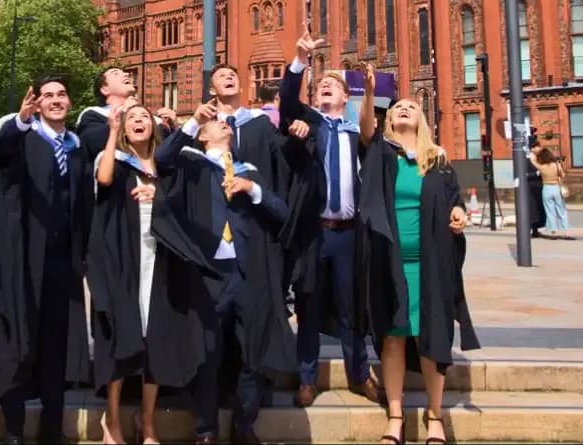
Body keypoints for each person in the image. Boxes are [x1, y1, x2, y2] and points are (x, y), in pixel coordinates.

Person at [153, 100, 302, 445]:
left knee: (251, 353)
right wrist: (192, 123)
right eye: (217, 123)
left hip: (246, 273)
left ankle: (244, 423)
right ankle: (206, 428)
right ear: (203, 137)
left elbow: (281, 212)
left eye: (226, 124)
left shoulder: (248, 170)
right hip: (208, 273)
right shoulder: (192, 164)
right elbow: (161, 162)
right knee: (206, 352)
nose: (224, 125)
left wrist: (253, 191)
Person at [355, 64, 479, 445]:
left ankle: (434, 417)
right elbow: (364, 129)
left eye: (410, 106)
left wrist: (458, 216)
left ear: (421, 117)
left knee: (431, 337)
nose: (404, 109)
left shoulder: (438, 160)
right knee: (393, 337)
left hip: (431, 265)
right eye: (397, 108)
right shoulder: (381, 151)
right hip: (392, 263)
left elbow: (454, 204)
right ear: (389, 118)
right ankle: (395, 416)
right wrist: (371, 91)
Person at [0, 76, 91, 444]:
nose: (56, 100)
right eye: (48, 96)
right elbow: (4, 150)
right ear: (37, 104)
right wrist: (21, 120)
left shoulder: (76, 146)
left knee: (56, 342)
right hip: (23, 259)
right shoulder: (24, 137)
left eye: (61, 95)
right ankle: (14, 428)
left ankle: (51, 423)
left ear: (69, 103)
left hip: (62, 260)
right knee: (18, 336)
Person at [89, 104, 207, 445]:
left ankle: (149, 421)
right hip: (123, 254)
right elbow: (105, 179)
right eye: (131, 119)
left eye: (144, 117)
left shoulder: (167, 166)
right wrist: (112, 133)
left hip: (160, 254)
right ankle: (111, 421)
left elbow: (184, 207)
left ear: (154, 128)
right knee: (119, 332)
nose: (138, 121)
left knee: (155, 334)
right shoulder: (112, 156)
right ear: (124, 129)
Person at [279, 31, 381, 407]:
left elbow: (371, 130)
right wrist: (299, 59)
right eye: (320, 85)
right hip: (314, 233)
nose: (324, 87)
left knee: (352, 305)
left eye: (331, 85)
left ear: (344, 97)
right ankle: (306, 377)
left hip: (348, 234)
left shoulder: (355, 131)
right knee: (308, 304)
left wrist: (368, 93)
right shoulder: (311, 123)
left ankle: (359, 372)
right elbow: (288, 100)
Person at [76, 67, 176, 158]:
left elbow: (169, 154)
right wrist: (125, 113)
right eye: (115, 73)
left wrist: (173, 128)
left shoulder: (155, 121)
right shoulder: (92, 114)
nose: (126, 74)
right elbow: (93, 145)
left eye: (124, 72)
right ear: (105, 89)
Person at [532, 148, 573, 240]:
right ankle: (567, 232)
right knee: (561, 210)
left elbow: (533, 161)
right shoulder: (556, 165)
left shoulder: (541, 167)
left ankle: (553, 232)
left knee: (549, 211)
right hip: (556, 188)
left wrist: (533, 153)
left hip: (546, 189)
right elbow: (562, 175)